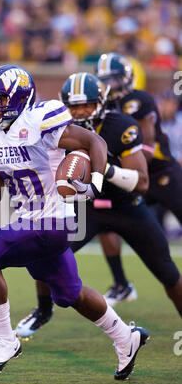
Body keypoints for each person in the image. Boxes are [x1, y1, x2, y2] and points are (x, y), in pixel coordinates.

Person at [0, 64, 149, 381]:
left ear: (17, 98)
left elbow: (95, 143)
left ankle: (5, 341)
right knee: (70, 294)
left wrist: (93, 184)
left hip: (53, 219)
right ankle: (125, 337)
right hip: (29, 218)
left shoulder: (40, 118)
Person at [15, 71, 182, 340]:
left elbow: (140, 182)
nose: (80, 112)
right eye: (74, 106)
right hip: (86, 209)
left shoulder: (121, 126)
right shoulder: (56, 130)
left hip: (126, 206)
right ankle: (43, 311)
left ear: (101, 103)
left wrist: (101, 167)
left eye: (87, 105)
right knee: (44, 254)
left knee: (167, 271)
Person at [94, 52, 182, 306]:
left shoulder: (136, 100)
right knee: (103, 214)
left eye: (113, 78)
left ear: (126, 78)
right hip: (129, 179)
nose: (108, 85)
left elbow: (147, 145)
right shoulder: (104, 107)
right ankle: (121, 283)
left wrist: (115, 166)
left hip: (160, 174)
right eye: (104, 79)